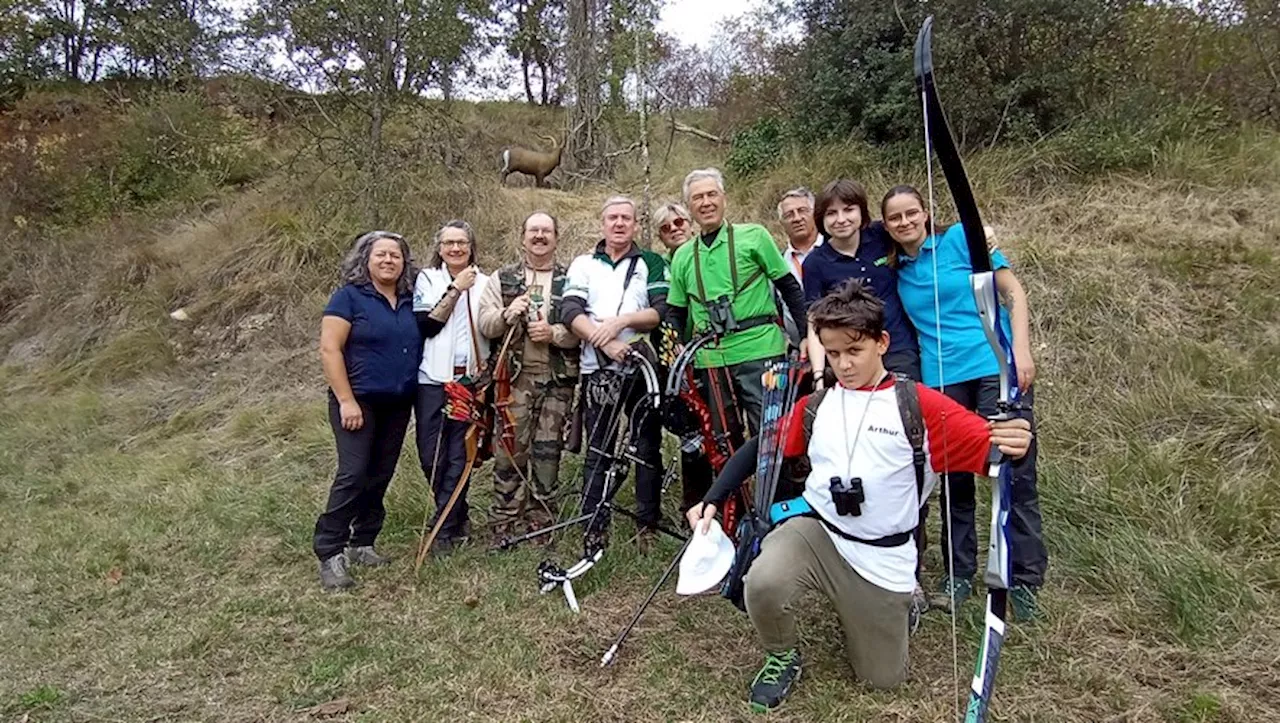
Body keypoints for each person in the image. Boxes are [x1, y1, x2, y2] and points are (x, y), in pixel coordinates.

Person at [685, 281, 1033, 711]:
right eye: (832, 354)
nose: (844, 365)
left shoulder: (918, 405)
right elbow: (764, 446)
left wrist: (1015, 441)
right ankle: (782, 654)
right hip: (820, 535)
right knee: (763, 579)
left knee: (882, 679)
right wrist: (713, 498)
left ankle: (899, 607)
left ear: (881, 342)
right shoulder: (818, 405)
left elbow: (994, 452)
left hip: (883, 557)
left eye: (855, 351)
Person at [882, 184, 1047, 620]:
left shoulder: (958, 239)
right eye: (895, 218)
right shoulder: (896, 268)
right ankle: (958, 573)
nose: (904, 223)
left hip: (992, 366)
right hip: (940, 379)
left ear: (924, 213)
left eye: (911, 213)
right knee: (955, 479)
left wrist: (1022, 350)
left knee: (1013, 471)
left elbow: (1014, 292)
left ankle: (1024, 578)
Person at [664, 168, 809, 440]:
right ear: (688, 207)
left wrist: (805, 336)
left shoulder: (754, 236)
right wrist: (677, 348)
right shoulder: (683, 256)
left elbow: (788, 287)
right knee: (722, 442)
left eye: (712, 194)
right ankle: (735, 485)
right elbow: (676, 312)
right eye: (698, 198)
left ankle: (780, 485)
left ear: (724, 198)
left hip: (761, 351)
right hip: (711, 358)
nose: (706, 202)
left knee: (773, 437)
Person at [314, 231, 421, 590]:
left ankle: (363, 541)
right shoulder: (348, 298)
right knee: (354, 472)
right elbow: (330, 350)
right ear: (366, 259)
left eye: (396, 255)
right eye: (381, 255)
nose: (389, 260)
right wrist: (346, 400)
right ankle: (330, 551)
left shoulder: (408, 299)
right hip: (357, 401)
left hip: (397, 402)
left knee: (380, 473)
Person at [562, 196, 668, 548]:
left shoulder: (650, 261)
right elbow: (570, 310)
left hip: (641, 369)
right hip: (598, 369)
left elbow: (659, 310)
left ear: (636, 224)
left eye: (626, 217)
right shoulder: (583, 264)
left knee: (646, 445)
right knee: (600, 446)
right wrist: (603, 342)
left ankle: (647, 522)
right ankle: (594, 522)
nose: (619, 223)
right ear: (602, 223)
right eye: (613, 218)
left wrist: (623, 321)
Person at [476, 211, 580, 542]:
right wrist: (507, 314)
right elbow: (485, 323)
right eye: (533, 230)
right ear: (522, 237)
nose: (539, 236)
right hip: (513, 381)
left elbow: (581, 328)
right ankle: (504, 521)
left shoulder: (571, 279)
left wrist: (554, 334)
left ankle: (541, 521)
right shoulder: (503, 279)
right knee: (509, 450)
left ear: (556, 238)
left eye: (546, 231)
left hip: (557, 381)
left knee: (548, 452)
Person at [412, 220, 491, 555]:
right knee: (432, 456)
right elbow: (427, 325)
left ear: (472, 246)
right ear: (439, 247)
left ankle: (445, 529)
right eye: (449, 243)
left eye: (462, 242)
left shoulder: (488, 283)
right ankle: (456, 515)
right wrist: (457, 287)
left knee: (461, 455)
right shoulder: (428, 279)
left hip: (469, 382)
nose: (455, 248)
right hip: (432, 378)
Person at [803, 179, 920, 383]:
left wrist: (983, 235)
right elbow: (814, 322)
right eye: (831, 213)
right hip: (851, 358)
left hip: (900, 349)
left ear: (861, 211)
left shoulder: (881, 235)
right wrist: (819, 375)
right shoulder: (814, 263)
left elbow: (919, 235)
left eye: (848, 210)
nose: (841, 219)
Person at [777, 187, 821, 281]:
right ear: (782, 223)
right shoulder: (779, 263)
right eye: (789, 215)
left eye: (802, 210)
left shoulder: (835, 249)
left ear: (815, 213)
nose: (797, 218)